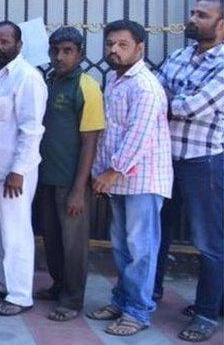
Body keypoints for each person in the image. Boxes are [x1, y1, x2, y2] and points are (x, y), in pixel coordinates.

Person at [87, 19, 172, 337]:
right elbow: (111, 131)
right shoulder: (114, 78)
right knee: (122, 246)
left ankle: (137, 311)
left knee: (140, 247)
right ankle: (122, 301)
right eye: (110, 44)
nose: (113, 50)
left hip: (142, 180)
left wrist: (110, 172)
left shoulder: (145, 86)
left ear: (140, 48)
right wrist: (102, 171)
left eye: (122, 45)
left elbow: (139, 135)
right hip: (119, 180)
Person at [155, 0, 224, 343]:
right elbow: (155, 93)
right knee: (158, 231)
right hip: (166, 158)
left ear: (221, 24)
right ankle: (147, 297)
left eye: (202, 15)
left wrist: (167, 102)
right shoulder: (180, 56)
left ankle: (207, 312)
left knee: (208, 241)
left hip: (204, 162)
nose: (193, 18)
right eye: (193, 12)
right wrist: (165, 102)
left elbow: (194, 106)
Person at [0, 21, 48, 317]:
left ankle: (19, 295)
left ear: (19, 45)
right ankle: (2, 283)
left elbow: (32, 129)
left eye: (5, 42)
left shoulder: (27, 78)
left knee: (15, 232)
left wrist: (18, 170)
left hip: (14, 172)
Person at [33, 27, 104, 321]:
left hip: (72, 182)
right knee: (52, 238)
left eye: (67, 51)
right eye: (55, 51)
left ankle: (73, 300)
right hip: (46, 177)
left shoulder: (86, 86)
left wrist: (78, 189)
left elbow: (90, 140)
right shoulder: (48, 82)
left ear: (80, 54)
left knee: (74, 244)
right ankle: (58, 285)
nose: (59, 57)